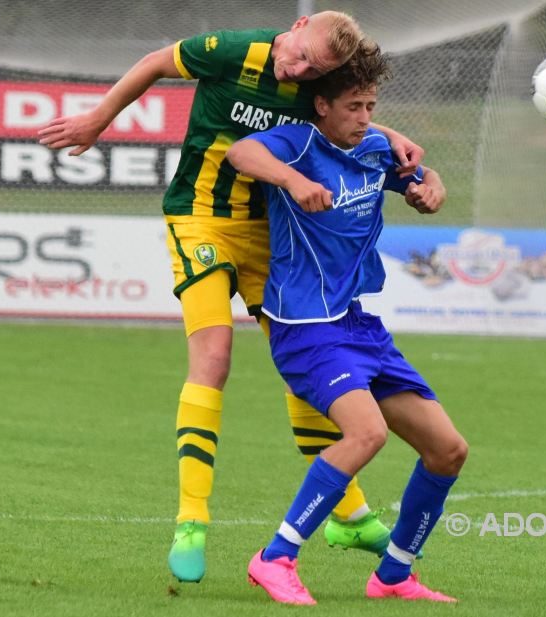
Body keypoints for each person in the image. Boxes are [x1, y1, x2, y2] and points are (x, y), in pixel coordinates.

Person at [37, 11, 426, 584]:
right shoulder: (230, 50)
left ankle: (348, 514)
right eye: (298, 56)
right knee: (214, 358)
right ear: (297, 24)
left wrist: (391, 137)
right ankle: (191, 520)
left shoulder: (317, 79)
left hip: (270, 234)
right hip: (200, 219)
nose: (297, 70)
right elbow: (153, 63)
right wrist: (98, 120)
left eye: (314, 70)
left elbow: (346, 119)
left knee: (307, 355)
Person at [226, 41, 468, 605]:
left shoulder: (378, 146)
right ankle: (274, 558)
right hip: (305, 329)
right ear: (322, 107)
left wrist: (430, 189)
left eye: (370, 106)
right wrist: (290, 181)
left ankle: (394, 575)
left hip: (359, 328)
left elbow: (422, 176)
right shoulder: (300, 144)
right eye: (353, 107)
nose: (364, 118)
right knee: (367, 434)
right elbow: (241, 153)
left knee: (448, 450)